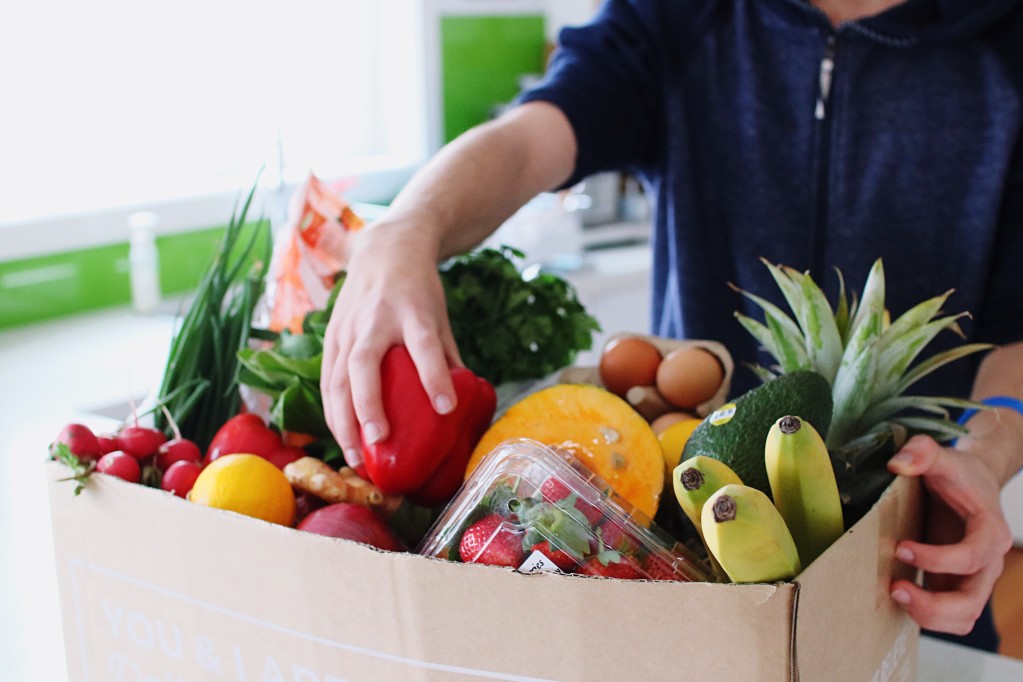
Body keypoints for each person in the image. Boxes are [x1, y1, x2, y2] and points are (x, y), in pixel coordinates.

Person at [321, 0, 1023, 650]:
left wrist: (986, 458)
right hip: (674, 553)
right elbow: (531, 140)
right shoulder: (681, 11)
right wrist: (407, 228)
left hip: (909, 557)